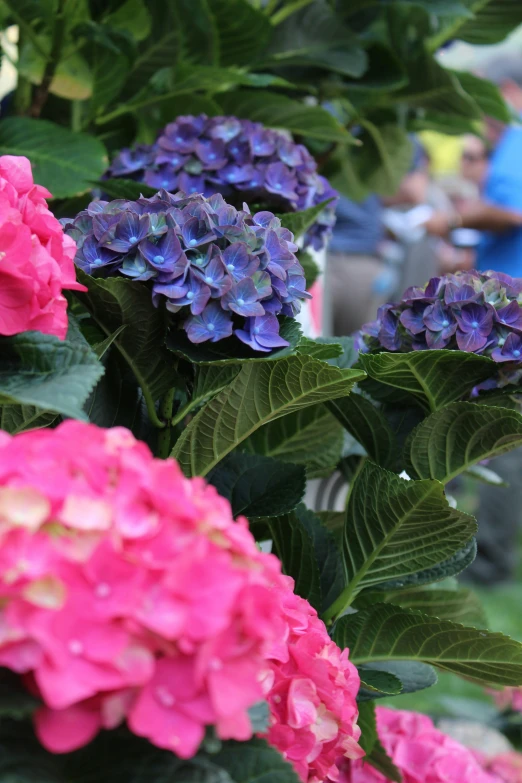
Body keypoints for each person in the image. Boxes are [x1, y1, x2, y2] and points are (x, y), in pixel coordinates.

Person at [426, 56, 522, 585]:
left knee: (499, 432)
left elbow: (514, 212)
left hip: (510, 316)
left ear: (506, 92)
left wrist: (456, 219)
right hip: (504, 304)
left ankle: (487, 566)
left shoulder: (515, 142)